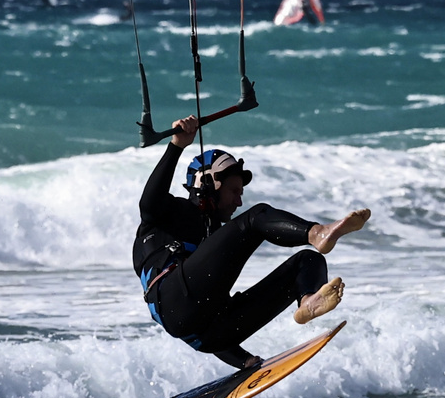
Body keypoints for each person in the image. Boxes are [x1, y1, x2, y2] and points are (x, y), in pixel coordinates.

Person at [133, 115, 370, 369]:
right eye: (234, 191)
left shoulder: (213, 242)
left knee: (308, 261)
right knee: (255, 216)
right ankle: (316, 233)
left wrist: (242, 360)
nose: (238, 202)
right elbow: (148, 202)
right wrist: (176, 146)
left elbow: (200, 314)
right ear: (209, 184)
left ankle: (308, 301)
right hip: (174, 300)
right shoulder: (169, 214)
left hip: (210, 336)